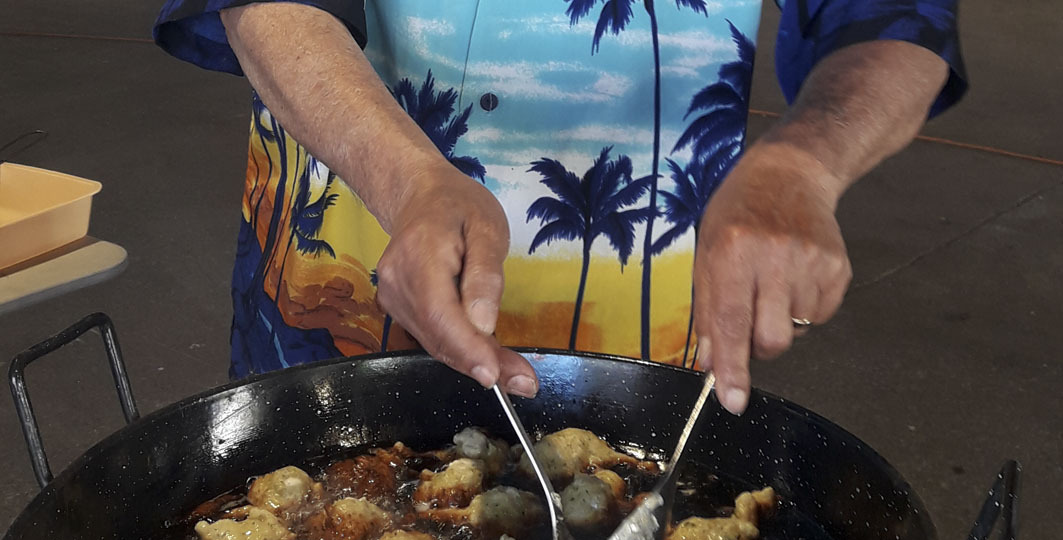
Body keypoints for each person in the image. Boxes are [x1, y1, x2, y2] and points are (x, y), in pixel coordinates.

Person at [153, 1, 964, 415]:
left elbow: (894, 17)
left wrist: (804, 164)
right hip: (347, 269)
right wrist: (408, 181)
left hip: (641, 327)